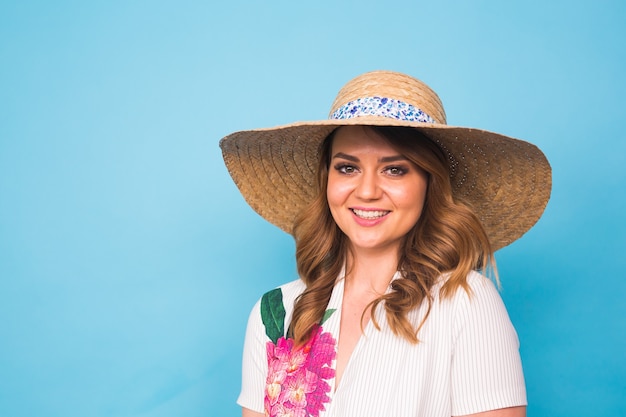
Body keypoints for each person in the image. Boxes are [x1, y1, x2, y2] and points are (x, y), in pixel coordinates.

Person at [219, 71, 551, 417]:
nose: (366, 191)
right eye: (347, 168)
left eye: (395, 170)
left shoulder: (466, 304)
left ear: (429, 183)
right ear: (327, 180)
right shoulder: (276, 312)